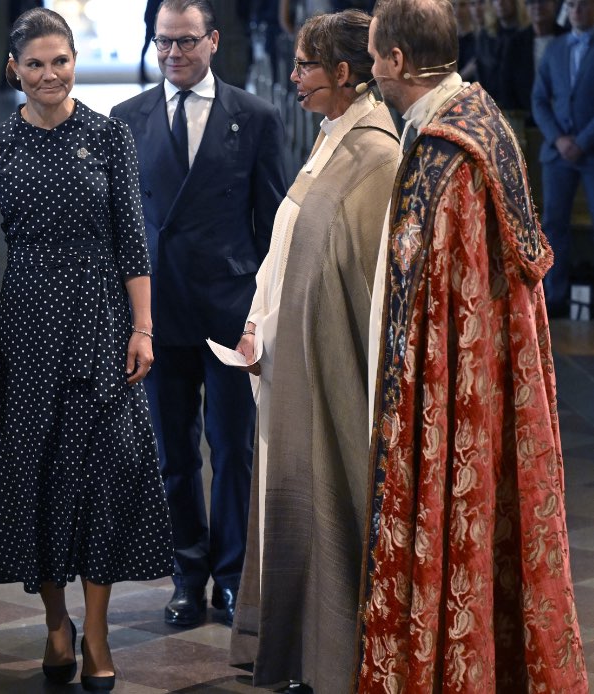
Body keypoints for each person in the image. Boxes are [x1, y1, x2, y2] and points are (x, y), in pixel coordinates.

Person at [359, 0, 588, 689]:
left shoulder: (446, 154)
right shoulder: (479, 118)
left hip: (458, 383)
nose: (370, 71)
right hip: (490, 372)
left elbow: (434, 298)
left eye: (373, 57)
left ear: (397, 61)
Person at [0, 9, 171, 691]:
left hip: (102, 322)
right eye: (35, 64)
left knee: (106, 476)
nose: (49, 75)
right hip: (27, 330)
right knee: (35, 479)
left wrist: (143, 327)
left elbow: (132, 240)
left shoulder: (107, 136)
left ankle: (98, 632)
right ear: (13, 69)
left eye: (60, 61)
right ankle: (55, 623)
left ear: (75, 61)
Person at [227, 10, 399, 693]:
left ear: (343, 73)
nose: (292, 76)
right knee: (289, 498)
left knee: (325, 500)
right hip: (289, 355)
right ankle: (291, 649)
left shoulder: (376, 155)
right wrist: (257, 322)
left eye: (304, 65)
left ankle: (328, 656)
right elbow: (289, 244)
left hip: (330, 370)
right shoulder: (333, 138)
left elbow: (369, 277)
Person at [110, 0, 287, 630]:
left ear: (212, 41)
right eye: (162, 43)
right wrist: (130, 319)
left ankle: (233, 575)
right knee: (172, 453)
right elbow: (119, 232)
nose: (173, 54)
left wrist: (263, 316)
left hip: (230, 311)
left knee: (233, 448)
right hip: (160, 312)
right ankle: (188, 572)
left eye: (185, 42)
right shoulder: (125, 120)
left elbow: (273, 227)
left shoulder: (254, 117)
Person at [532, 0, 594, 318]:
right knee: (554, 225)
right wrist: (558, 138)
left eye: (584, 5)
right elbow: (539, 98)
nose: (577, 11)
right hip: (557, 151)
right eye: (572, 6)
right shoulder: (556, 48)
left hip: (591, 150)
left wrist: (581, 141)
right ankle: (554, 297)